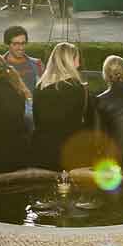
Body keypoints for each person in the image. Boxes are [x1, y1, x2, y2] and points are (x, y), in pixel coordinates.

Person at [30, 42, 89, 171]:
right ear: (69, 61)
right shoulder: (76, 87)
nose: (79, 63)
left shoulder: (40, 87)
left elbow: (37, 121)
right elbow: (77, 122)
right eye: (77, 58)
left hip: (41, 152)